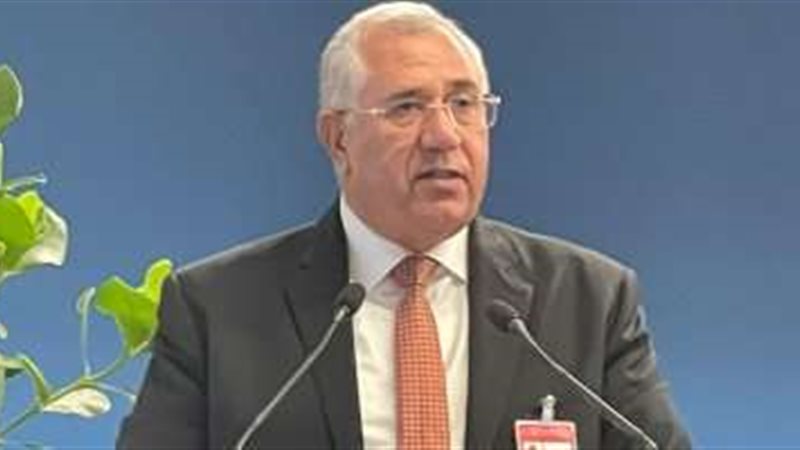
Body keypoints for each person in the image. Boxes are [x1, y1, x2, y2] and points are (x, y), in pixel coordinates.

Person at [117, 2, 691, 449]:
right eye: (407, 108)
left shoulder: (590, 300)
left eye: (464, 104)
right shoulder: (216, 308)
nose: (444, 136)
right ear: (338, 138)